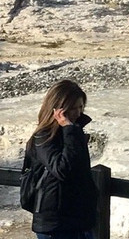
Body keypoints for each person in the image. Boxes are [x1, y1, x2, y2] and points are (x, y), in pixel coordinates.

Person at [25, 79, 98, 239]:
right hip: (55, 224)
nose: (78, 113)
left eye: (81, 107)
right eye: (73, 108)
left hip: (79, 220)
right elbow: (62, 169)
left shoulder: (75, 131)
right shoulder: (44, 136)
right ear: (58, 109)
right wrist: (68, 128)